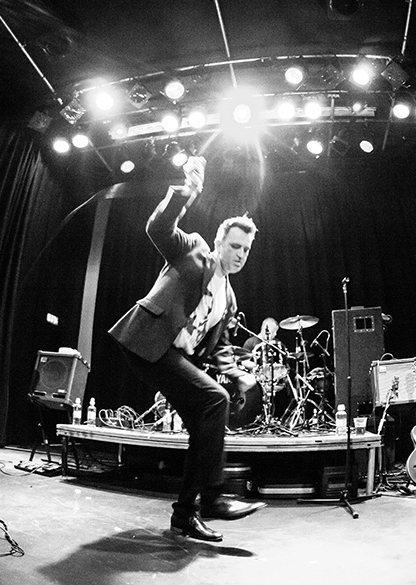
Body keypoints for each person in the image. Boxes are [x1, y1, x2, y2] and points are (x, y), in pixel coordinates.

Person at [109, 157, 266, 542]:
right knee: (214, 400)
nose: (241, 254)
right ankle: (213, 498)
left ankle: (185, 514)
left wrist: (238, 373)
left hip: (174, 357)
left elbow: (221, 347)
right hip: (148, 342)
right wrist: (188, 191)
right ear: (218, 242)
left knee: (205, 423)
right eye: (235, 246)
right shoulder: (193, 251)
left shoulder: (228, 298)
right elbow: (158, 227)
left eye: (246, 249)